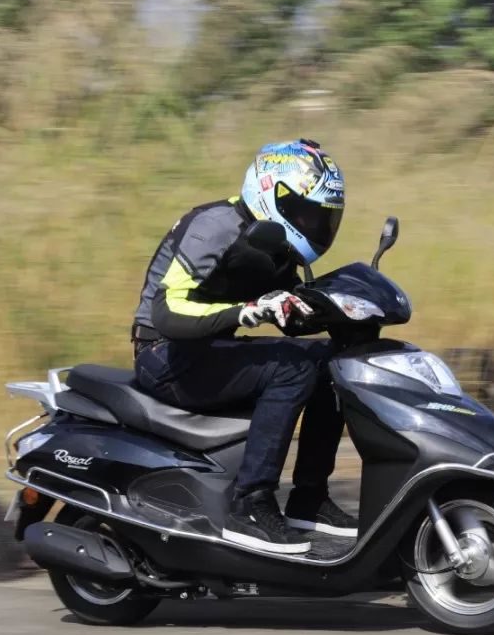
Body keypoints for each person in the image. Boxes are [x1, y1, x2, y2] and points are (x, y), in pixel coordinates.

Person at [130, 139, 356, 554]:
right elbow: (166, 312)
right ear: (274, 195)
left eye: (323, 217)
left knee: (330, 364)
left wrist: (344, 311)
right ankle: (250, 504)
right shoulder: (216, 226)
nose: (315, 225)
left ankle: (309, 499)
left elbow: (289, 314)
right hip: (164, 355)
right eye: (307, 213)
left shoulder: (277, 244)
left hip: (209, 352)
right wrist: (244, 312)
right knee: (293, 368)